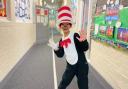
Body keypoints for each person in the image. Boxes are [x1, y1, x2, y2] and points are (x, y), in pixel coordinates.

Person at [48, 6, 89, 89]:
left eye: (67, 24)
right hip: (70, 66)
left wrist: (84, 41)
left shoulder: (75, 35)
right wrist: (56, 49)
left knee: (83, 85)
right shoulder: (61, 40)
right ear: (60, 26)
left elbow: (85, 48)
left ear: (70, 25)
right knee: (64, 82)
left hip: (81, 65)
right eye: (63, 24)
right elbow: (61, 54)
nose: (65, 25)